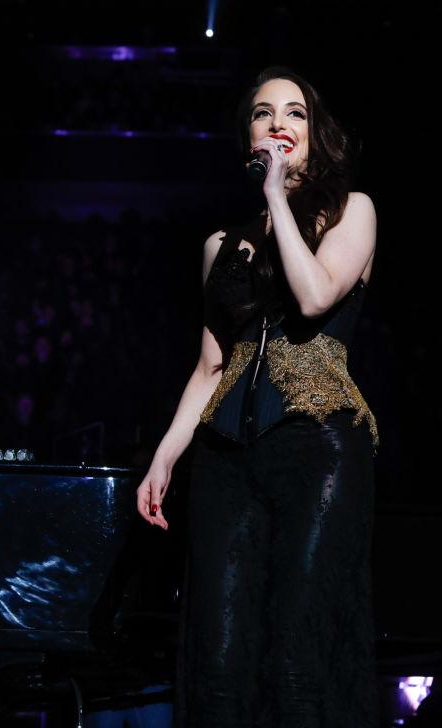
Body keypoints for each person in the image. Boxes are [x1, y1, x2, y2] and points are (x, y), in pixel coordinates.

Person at [136, 67, 379, 727]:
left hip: (318, 446)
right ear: (247, 135)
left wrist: (277, 197)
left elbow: (315, 296)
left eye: (295, 113)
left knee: (298, 655)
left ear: (314, 133)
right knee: (218, 663)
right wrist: (165, 456)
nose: (279, 123)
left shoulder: (351, 210)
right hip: (224, 460)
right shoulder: (221, 245)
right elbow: (212, 364)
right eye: (264, 113)